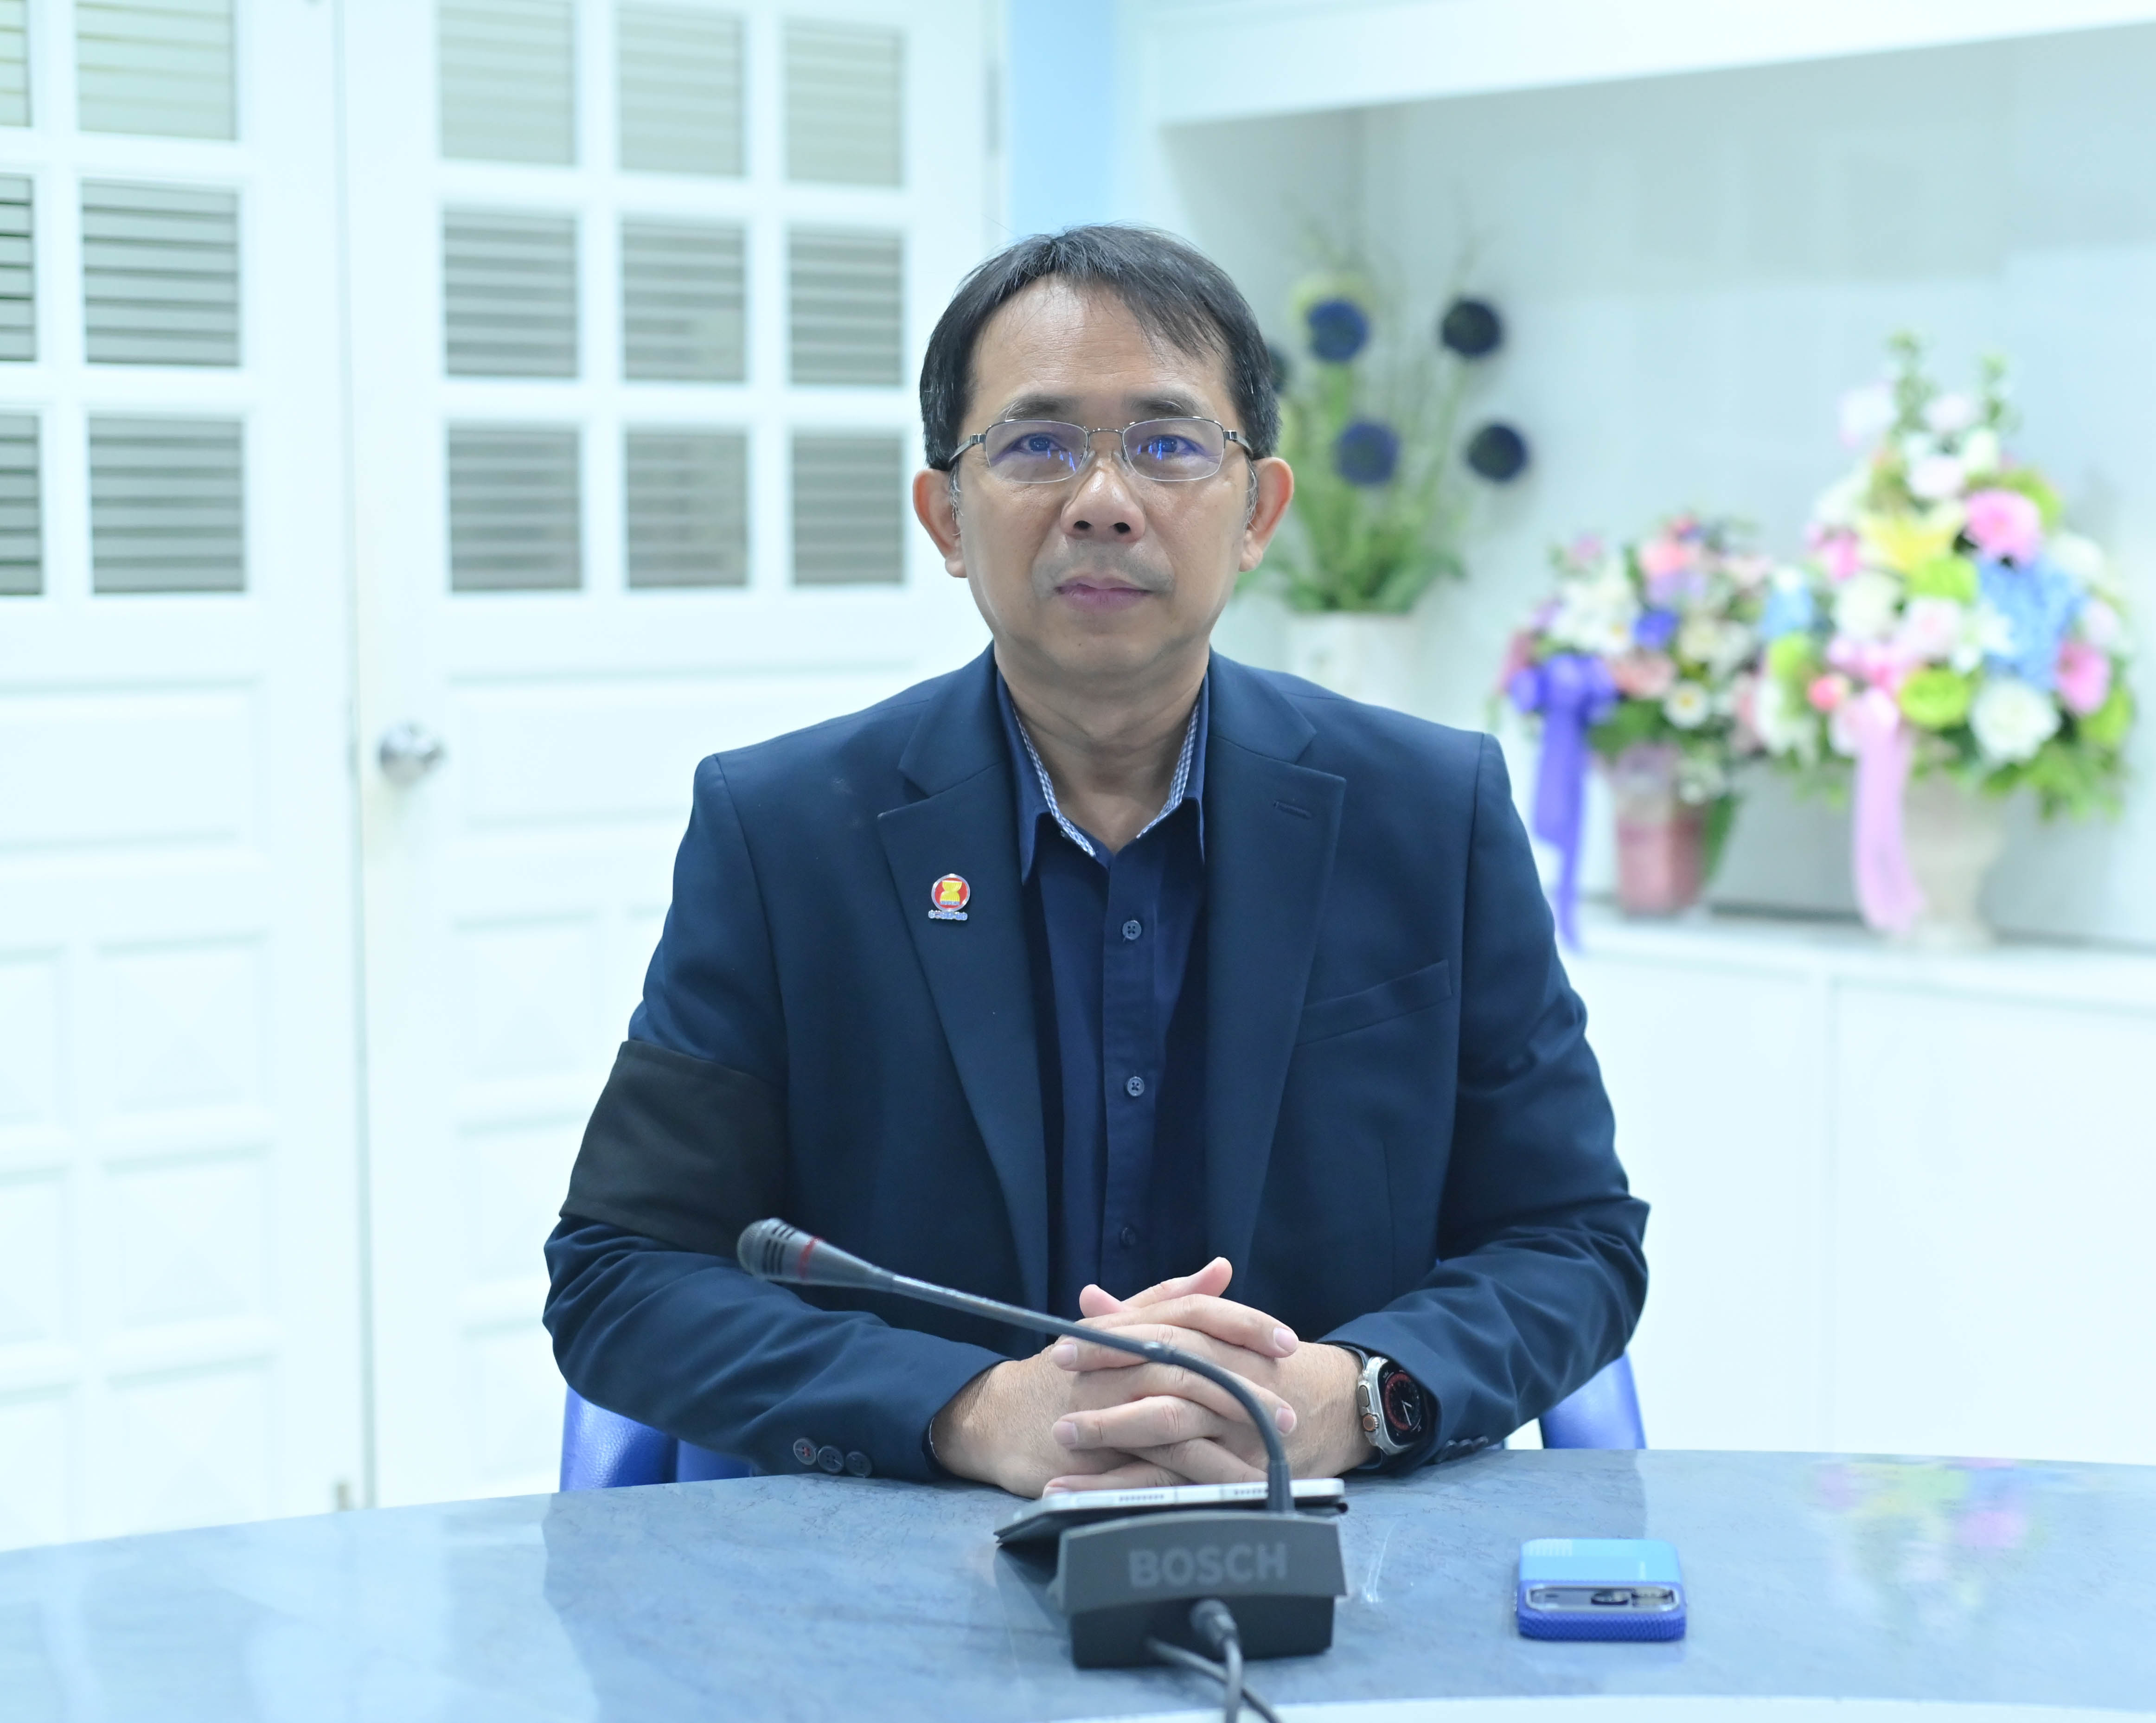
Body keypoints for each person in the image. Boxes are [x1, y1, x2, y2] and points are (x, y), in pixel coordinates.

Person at [544, 225, 1646, 1497]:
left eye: (1169, 445)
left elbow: (1571, 1239)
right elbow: (623, 1273)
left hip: (1339, 1547)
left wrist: (1351, 1397)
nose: (1104, 499)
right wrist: (971, 1411)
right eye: (1037, 445)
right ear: (946, 518)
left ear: (1258, 511)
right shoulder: (785, 831)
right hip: (909, 1552)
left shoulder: (1428, 814)